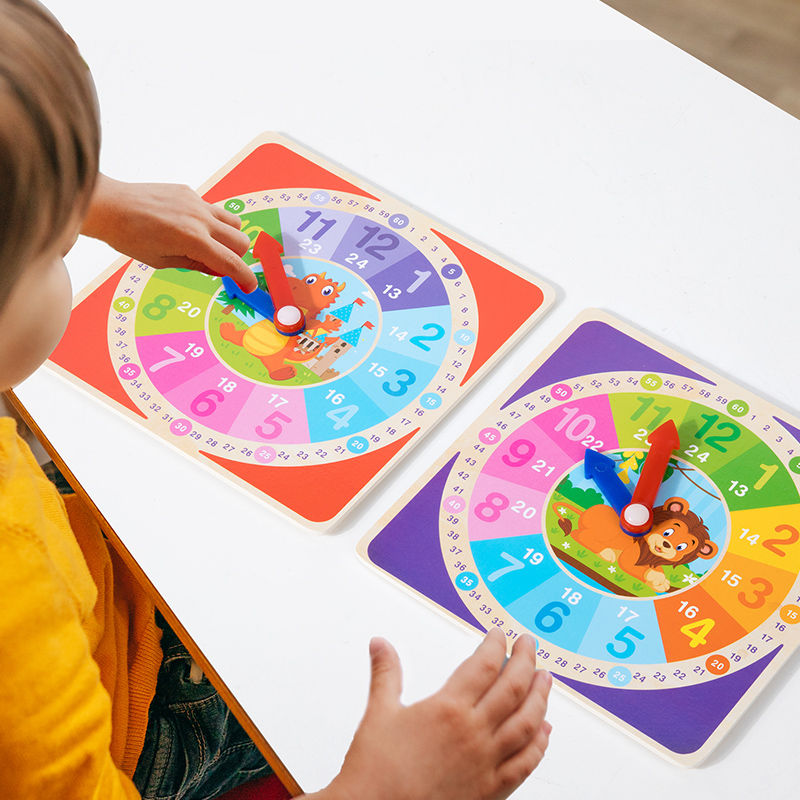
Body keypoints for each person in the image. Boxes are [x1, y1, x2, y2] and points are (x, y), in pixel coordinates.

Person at [0, 2, 553, 798]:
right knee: (330, 666)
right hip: (128, 720)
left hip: (73, 584)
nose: (71, 245)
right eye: (55, 245)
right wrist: (386, 788)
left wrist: (92, 199)